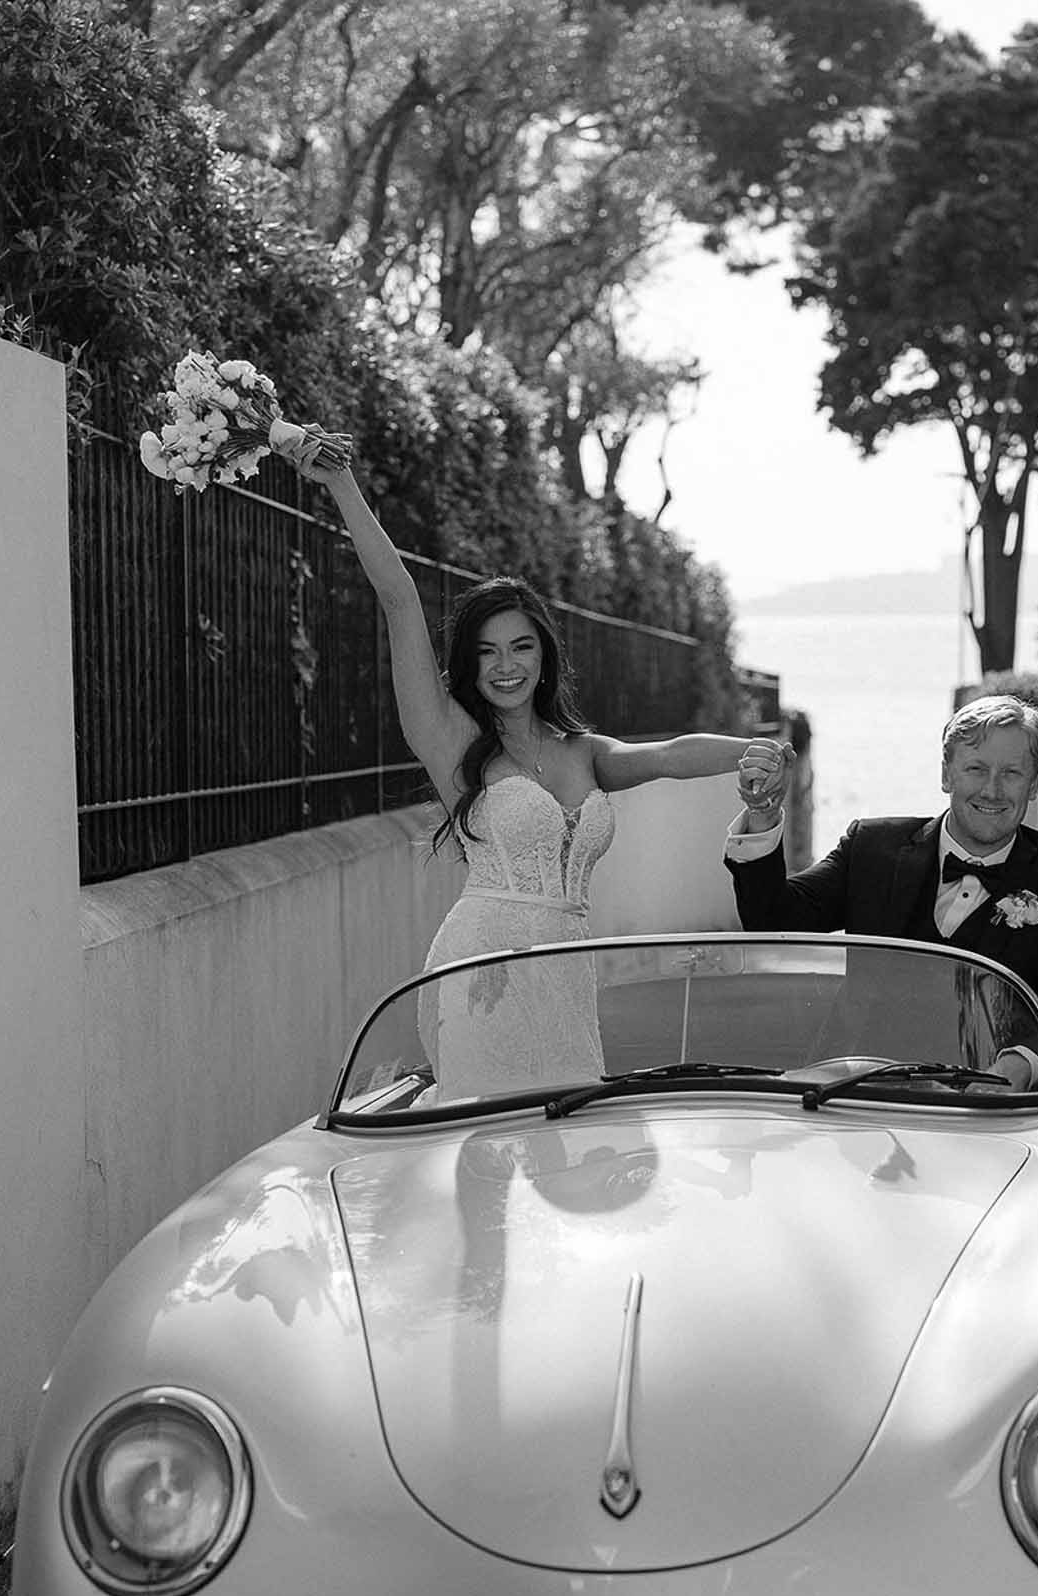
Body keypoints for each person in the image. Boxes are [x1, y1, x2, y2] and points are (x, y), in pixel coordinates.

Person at [278, 427, 790, 1100]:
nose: (506, 666)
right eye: (487, 652)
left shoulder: (583, 750)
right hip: (479, 971)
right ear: (469, 662)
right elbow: (400, 596)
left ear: (543, 653)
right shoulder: (451, 740)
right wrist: (339, 483)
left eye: (521, 647)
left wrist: (757, 752)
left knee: (566, 1157)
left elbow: (666, 756)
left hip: (566, 979)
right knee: (483, 1152)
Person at [726, 693, 1038, 1084]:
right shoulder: (871, 848)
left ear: (1035, 783)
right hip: (857, 1099)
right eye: (975, 768)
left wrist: (1019, 1066)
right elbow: (773, 918)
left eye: (1012, 773)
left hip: (990, 1115)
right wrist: (763, 816)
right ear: (946, 774)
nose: (992, 790)